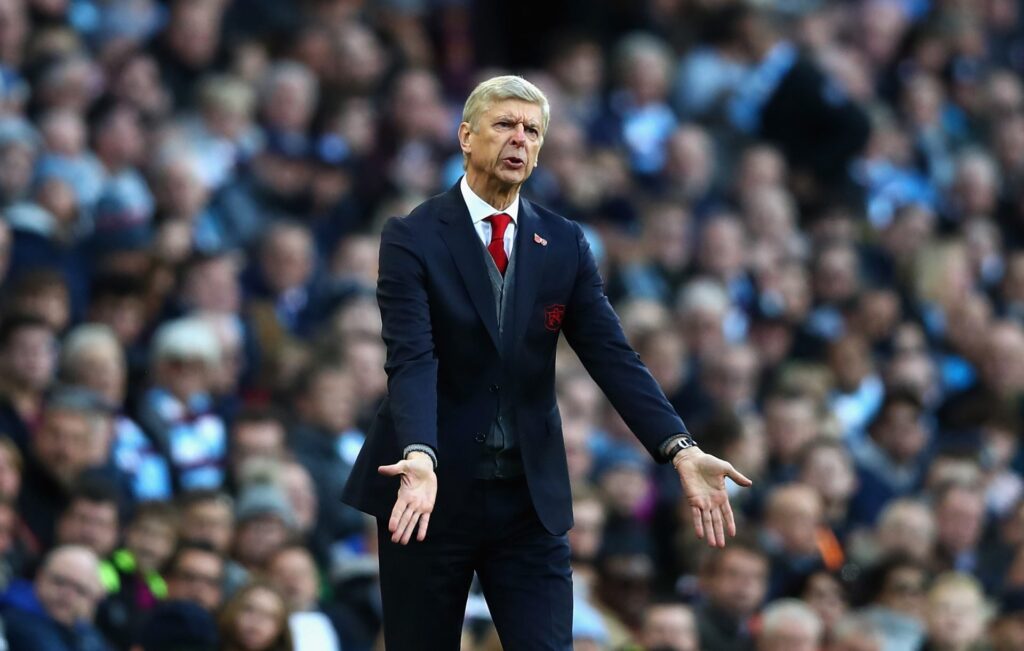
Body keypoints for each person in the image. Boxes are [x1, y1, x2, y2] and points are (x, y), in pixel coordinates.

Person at [341, 74, 752, 650]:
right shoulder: (411, 237)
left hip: (527, 499)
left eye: (532, 131)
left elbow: (611, 354)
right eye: (505, 124)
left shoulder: (563, 242)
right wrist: (420, 454)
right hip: (429, 493)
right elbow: (413, 359)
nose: (520, 139)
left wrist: (677, 447)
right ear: (465, 135)